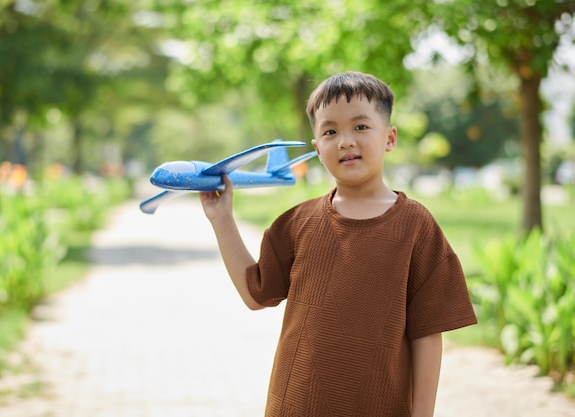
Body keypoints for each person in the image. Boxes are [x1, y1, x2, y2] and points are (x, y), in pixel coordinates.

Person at [199, 71, 477, 417]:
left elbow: (427, 334)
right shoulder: (297, 223)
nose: (345, 141)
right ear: (317, 148)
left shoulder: (417, 227)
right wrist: (222, 219)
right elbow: (256, 293)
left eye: (360, 127)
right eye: (330, 131)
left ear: (389, 138)